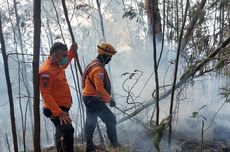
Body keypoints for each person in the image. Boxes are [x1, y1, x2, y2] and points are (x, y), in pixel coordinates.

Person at [39, 42, 78, 152]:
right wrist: (59, 113)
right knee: (67, 129)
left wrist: (72, 51)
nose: (66, 58)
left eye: (66, 55)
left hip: (63, 107)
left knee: (60, 131)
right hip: (54, 109)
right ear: (55, 55)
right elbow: (46, 95)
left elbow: (65, 63)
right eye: (64, 56)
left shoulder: (58, 64)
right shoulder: (46, 72)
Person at [82, 42, 119, 152]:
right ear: (104, 55)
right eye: (109, 57)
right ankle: (115, 145)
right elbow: (99, 89)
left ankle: (89, 146)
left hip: (88, 98)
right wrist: (109, 100)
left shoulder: (93, 64)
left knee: (90, 121)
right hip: (94, 100)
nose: (110, 59)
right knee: (111, 120)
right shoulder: (98, 69)